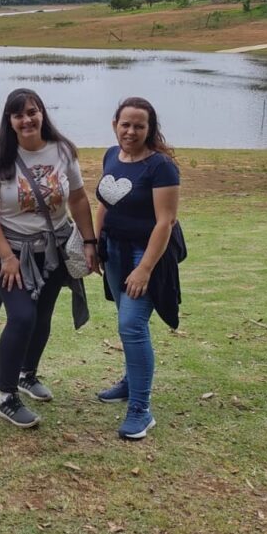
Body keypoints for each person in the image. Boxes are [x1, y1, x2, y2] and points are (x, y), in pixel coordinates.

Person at [0, 88, 98, 429]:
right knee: (22, 316)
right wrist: (5, 257)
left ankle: (27, 374)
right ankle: (6, 395)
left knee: (43, 315)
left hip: (53, 248)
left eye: (32, 112)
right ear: (10, 121)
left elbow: (77, 199)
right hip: (11, 249)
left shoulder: (62, 151)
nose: (27, 119)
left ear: (42, 113)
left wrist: (89, 241)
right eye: (19, 115)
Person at [95, 97, 180, 441]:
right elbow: (104, 203)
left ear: (150, 128)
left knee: (131, 324)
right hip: (114, 250)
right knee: (124, 316)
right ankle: (131, 382)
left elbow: (166, 221)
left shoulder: (161, 166)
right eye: (125, 124)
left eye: (139, 126)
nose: (131, 131)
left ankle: (141, 409)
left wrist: (144, 268)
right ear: (115, 123)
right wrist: (95, 244)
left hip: (147, 255)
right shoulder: (111, 156)